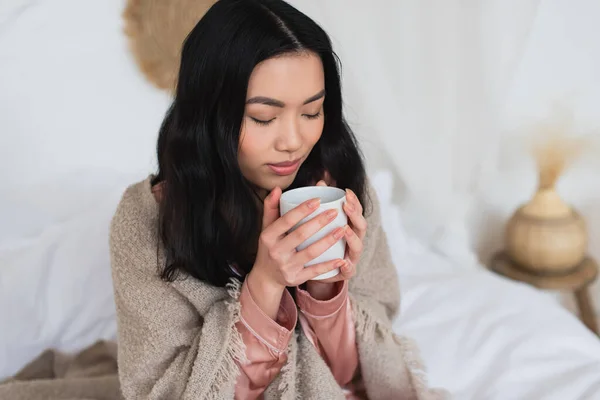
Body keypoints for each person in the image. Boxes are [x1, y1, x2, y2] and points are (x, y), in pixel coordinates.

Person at [109, 0, 441, 399]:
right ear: (209, 114)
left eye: (312, 112)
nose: (293, 142)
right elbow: (161, 389)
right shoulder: (146, 219)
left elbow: (357, 378)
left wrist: (326, 290)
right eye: (264, 118)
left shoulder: (341, 188)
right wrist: (265, 284)